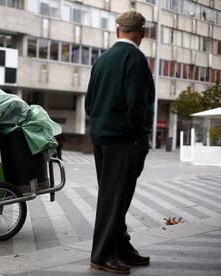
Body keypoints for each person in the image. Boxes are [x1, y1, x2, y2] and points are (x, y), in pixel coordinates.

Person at [85, 11, 155, 274]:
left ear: (118, 31)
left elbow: (89, 103)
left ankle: (122, 248)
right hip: (125, 140)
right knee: (114, 198)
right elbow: (137, 104)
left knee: (113, 196)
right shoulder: (135, 58)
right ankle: (102, 255)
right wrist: (140, 135)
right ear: (142, 33)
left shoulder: (102, 60)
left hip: (101, 137)